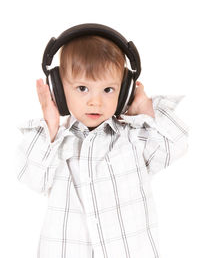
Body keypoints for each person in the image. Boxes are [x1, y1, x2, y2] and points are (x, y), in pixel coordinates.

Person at [16, 32, 188, 258]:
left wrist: (146, 109)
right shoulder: (55, 143)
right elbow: (32, 177)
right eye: (82, 88)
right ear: (58, 89)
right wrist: (50, 124)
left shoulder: (133, 138)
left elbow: (176, 144)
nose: (95, 101)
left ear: (124, 90)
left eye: (108, 90)